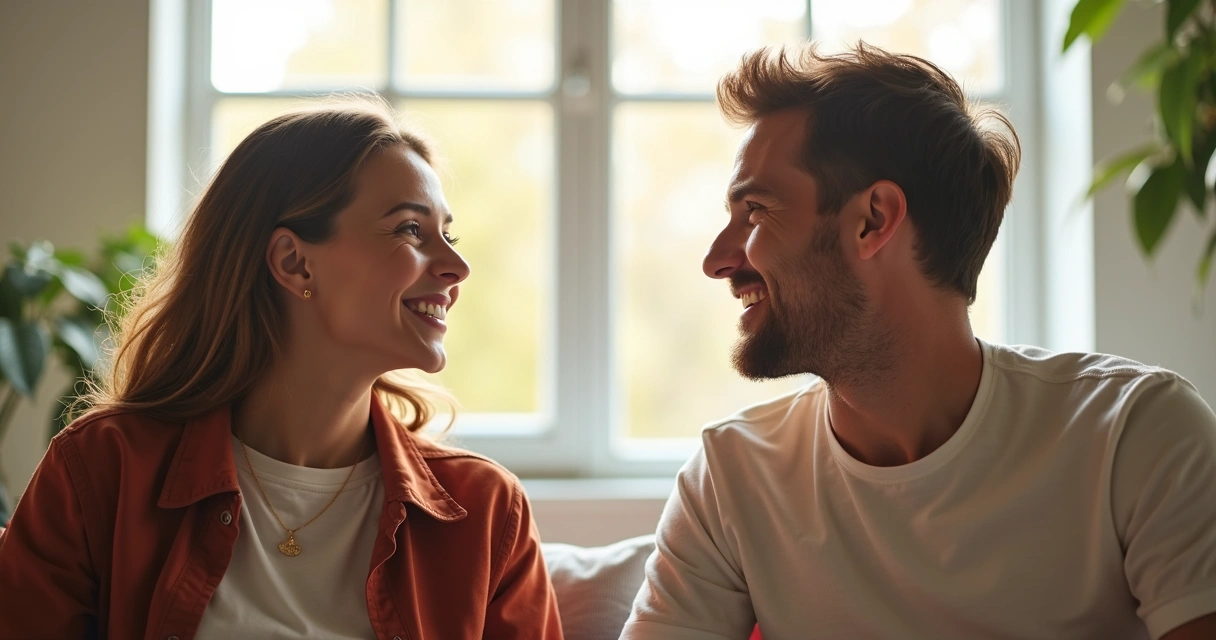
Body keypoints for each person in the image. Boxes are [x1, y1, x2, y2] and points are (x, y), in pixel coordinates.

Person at [622, 43, 1216, 640]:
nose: (716, 261)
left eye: (755, 212)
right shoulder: (731, 478)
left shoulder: (1135, 435)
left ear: (874, 220)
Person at [0, 100, 563, 639]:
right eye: (410, 231)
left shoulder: (485, 511)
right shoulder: (103, 469)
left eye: (448, 234)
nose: (457, 266)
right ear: (294, 262)